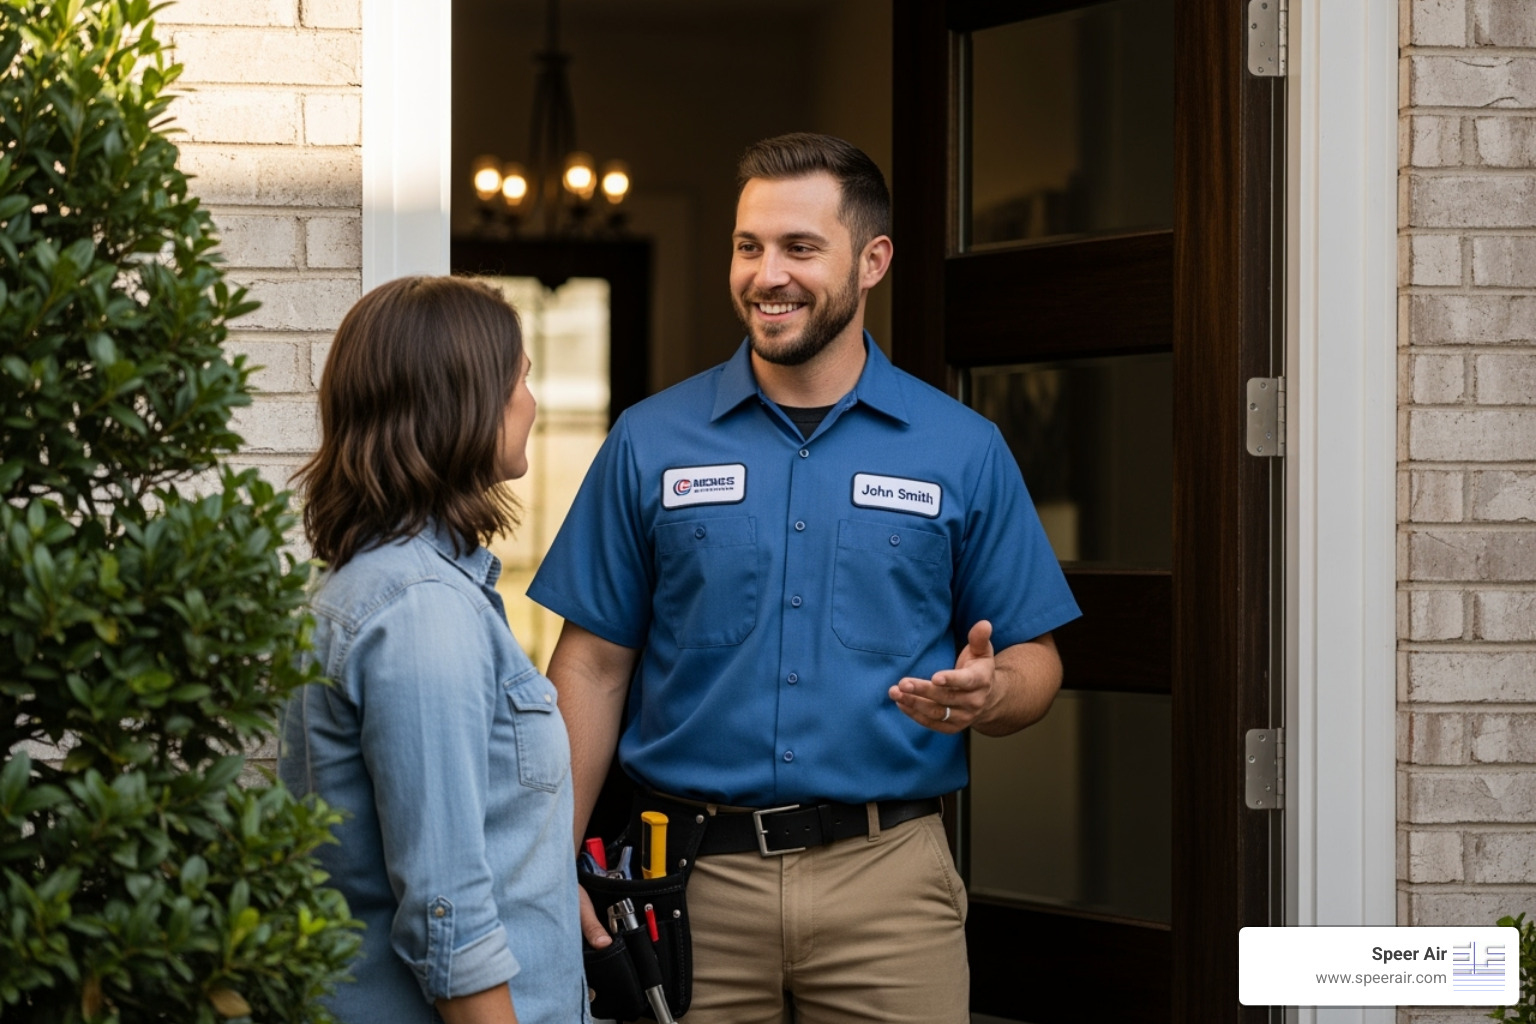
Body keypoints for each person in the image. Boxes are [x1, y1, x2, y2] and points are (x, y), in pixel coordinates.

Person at [529, 133, 1080, 1024]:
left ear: (873, 261)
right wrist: (548, 864)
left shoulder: (961, 449)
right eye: (749, 247)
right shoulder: (649, 441)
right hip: (690, 884)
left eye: (798, 248)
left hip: (889, 883)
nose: (765, 274)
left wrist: (994, 691)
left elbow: (1036, 660)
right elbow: (592, 667)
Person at [280, 276, 588, 1024]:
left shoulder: (405, 588)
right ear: (466, 404)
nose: (532, 404)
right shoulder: (420, 611)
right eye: (519, 379)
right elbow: (445, 911)